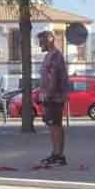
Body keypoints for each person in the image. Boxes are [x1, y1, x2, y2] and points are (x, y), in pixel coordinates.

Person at [38, 30, 70, 166]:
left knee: (56, 125)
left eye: (42, 42)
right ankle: (55, 153)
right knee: (52, 126)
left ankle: (59, 155)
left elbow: (54, 77)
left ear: (50, 39)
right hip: (50, 96)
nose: (40, 45)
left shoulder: (55, 56)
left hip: (54, 97)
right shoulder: (48, 56)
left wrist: (48, 95)